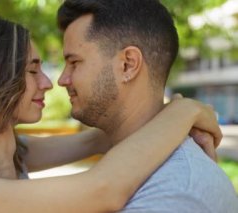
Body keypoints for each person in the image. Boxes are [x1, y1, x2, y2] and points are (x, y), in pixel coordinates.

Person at [0, 17, 221, 213]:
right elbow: (103, 189)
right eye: (31, 70)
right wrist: (187, 109)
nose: (48, 82)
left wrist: (170, 113)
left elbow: (104, 137)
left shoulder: (11, 153)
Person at [57, 0, 238, 212]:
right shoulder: (153, 173)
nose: (62, 79)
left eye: (74, 62)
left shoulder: (175, 191)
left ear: (128, 65)